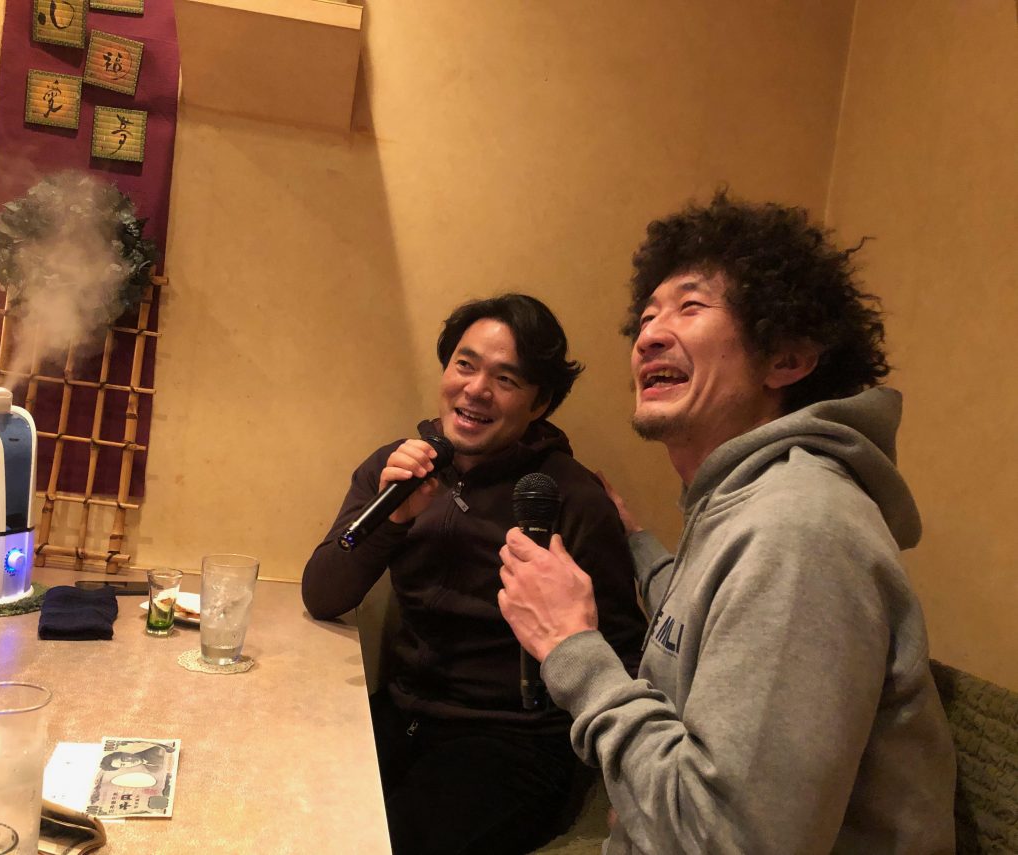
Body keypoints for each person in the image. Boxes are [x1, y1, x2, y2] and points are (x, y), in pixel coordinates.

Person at [497, 191, 957, 854]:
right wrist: (637, 544)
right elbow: (710, 626)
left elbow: (726, 840)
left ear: (786, 358)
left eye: (691, 307)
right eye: (647, 316)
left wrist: (570, 645)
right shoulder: (740, 505)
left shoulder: (800, 531)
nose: (649, 336)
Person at [302, 293, 647, 855]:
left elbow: (626, 652)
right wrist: (393, 519)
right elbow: (323, 594)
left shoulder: (570, 498)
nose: (477, 389)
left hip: (516, 742)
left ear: (540, 403)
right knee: (299, 806)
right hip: (401, 711)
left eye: (506, 379)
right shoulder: (397, 468)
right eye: (465, 365)